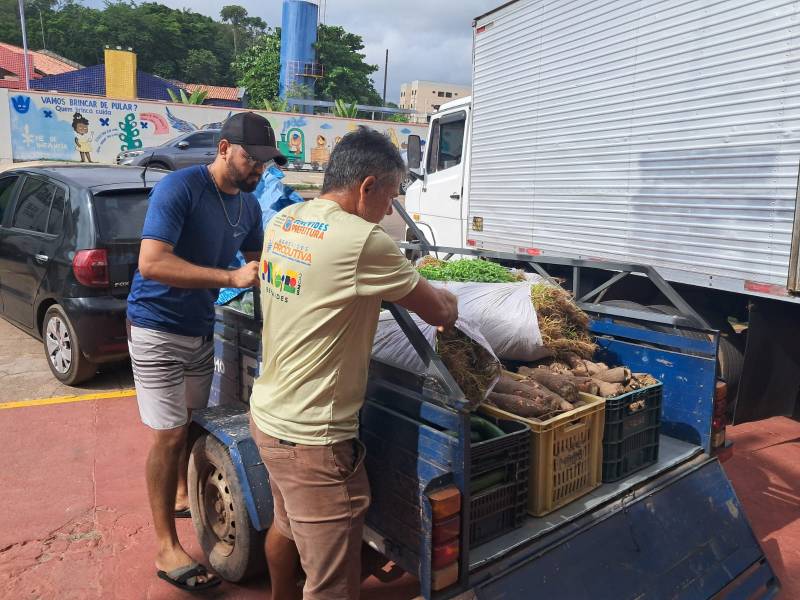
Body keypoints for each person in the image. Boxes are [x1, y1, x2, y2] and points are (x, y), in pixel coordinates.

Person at [250, 126, 459, 600]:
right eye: (390, 196)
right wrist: (454, 299)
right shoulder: (363, 241)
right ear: (367, 186)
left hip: (267, 417)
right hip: (313, 442)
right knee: (332, 585)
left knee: (284, 526)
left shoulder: (286, 220)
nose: (389, 210)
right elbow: (439, 311)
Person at [127, 112, 287, 592]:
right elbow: (151, 263)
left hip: (200, 328)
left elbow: (258, 264)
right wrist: (228, 277)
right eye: (250, 158)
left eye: (264, 163)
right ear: (223, 149)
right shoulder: (180, 188)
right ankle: (165, 545)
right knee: (170, 436)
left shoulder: (250, 207)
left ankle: (180, 491)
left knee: (193, 422)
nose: (258, 169)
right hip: (156, 326)